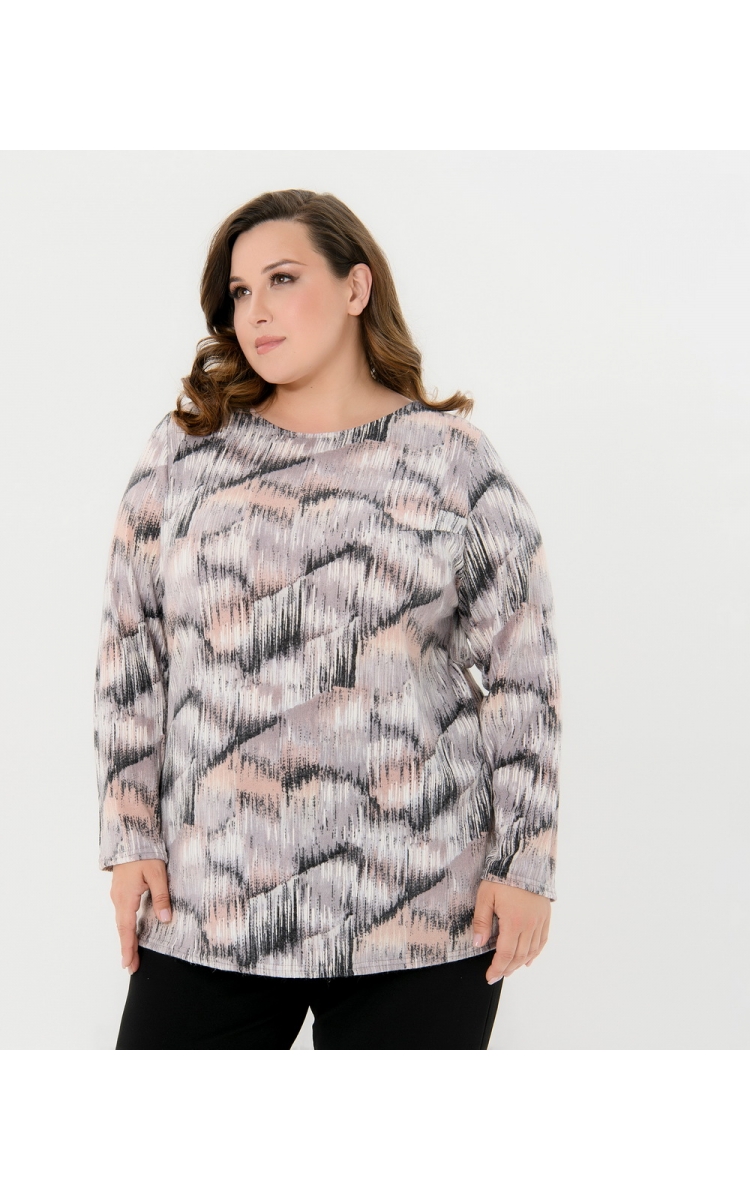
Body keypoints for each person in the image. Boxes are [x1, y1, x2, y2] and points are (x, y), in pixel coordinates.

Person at [93, 189, 562, 1050]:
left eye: (281, 279)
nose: (255, 311)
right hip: (211, 898)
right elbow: (133, 653)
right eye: (239, 292)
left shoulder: (450, 460)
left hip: (420, 903)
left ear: (356, 287)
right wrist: (130, 839)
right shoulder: (183, 454)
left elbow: (521, 669)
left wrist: (525, 862)